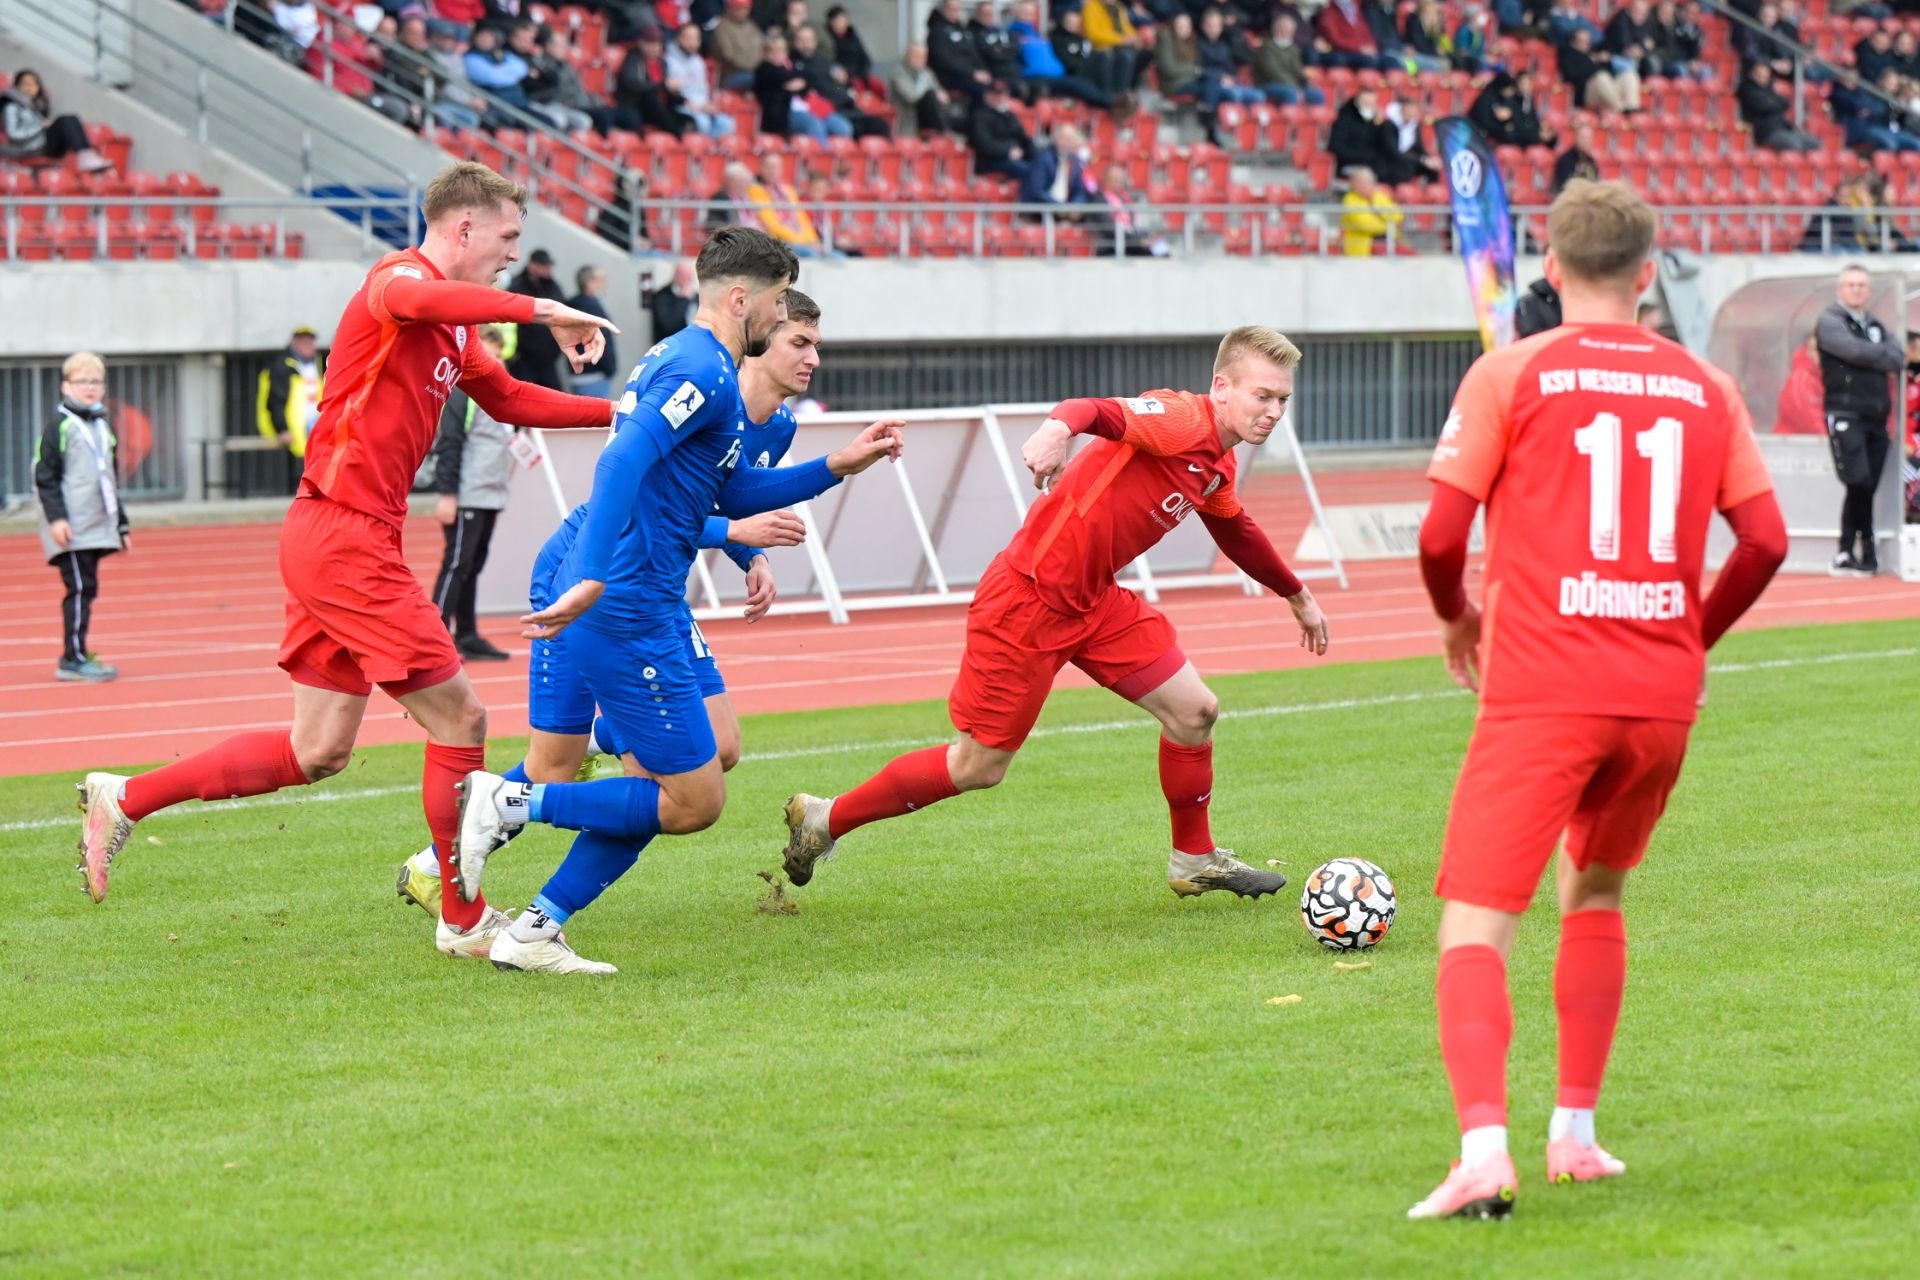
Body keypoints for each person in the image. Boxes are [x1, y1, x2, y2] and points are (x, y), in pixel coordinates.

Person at [70, 163, 618, 958]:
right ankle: (462, 919)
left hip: (343, 534)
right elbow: (424, 300)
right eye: (506, 238)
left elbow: (510, 399)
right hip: (344, 536)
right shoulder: (398, 281)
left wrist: (624, 414)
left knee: (317, 750)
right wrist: (548, 309)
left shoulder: (457, 329)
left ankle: (125, 797)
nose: (511, 254)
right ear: (463, 227)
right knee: (461, 719)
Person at [1407, 179, 1788, 1220]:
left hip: (1544, 687)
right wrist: (1688, 637)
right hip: (1657, 698)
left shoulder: (1511, 370)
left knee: (1476, 921)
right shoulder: (1707, 385)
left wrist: (1456, 618)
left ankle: (1484, 1152)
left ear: (1550, 267)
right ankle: (1574, 1134)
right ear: (1649, 272)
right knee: (1598, 895)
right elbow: (1765, 541)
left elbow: (1439, 537)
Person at [447, 233, 907, 974]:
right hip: (628, 603)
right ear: (742, 299)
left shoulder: (702, 365)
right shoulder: (701, 368)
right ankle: (507, 805)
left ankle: (534, 929)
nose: (783, 322)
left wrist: (836, 465)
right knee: (690, 799)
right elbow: (621, 461)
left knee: (690, 774)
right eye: (779, 308)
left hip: (644, 600)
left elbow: (726, 491)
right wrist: (592, 574)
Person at [777, 328, 1332, 900]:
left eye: (1282, 399)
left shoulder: (1218, 462)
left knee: (1195, 712)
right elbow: (1093, 409)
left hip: (1095, 601)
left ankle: (1193, 859)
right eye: (1262, 396)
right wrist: (1055, 431)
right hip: (1028, 601)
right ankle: (825, 819)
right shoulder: (1179, 419)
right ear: (1221, 388)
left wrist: (1297, 595)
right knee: (978, 767)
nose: (1274, 411)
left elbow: (1235, 529)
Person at [396, 290, 826, 919]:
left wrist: (750, 555)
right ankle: (466, 879)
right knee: (568, 770)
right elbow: (644, 499)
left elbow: (717, 499)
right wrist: (738, 532)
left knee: (718, 749)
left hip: (651, 588)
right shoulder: (706, 387)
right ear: (759, 337)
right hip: (589, 575)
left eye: (815, 344)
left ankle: (531, 905)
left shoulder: (778, 425)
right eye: (798, 341)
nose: (813, 358)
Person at [35, 352, 128, 684]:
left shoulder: (103, 425)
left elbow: (109, 478)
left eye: (96, 381)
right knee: (78, 588)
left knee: (86, 588)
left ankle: (78, 652)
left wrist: (121, 523)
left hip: (96, 522)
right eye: (82, 381)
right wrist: (57, 518)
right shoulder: (59, 426)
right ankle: (71, 658)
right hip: (70, 524)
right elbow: (45, 476)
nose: (90, 387)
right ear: (66, 386)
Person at [429, 325, 518, 662]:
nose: (496, 362)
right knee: (457, 564)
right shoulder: (463, 393)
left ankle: (466, 633)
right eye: (489, 355)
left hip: (490, 493)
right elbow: (450, 443)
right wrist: (447, 493)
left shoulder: (498, 392)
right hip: (467, 493)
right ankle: (435, 637)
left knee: (473, 565)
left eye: (499, 356)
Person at [1816, 263, 1905, 576]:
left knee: (1866, 486)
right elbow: (1852, 351)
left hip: (1876, 416)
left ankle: (1845, 552)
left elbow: (1898, 357)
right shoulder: (1830, 321)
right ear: (1840, 289)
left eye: (1861, 285)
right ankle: (1866, 549)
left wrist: (1872, 354)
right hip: (1845, 412)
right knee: (1858, 480)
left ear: (1869, 291)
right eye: (1851, 284)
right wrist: (1877, 354)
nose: (1856, 290)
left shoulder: (1876, 325)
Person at [0, 70, 112, 171]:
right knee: (64, 120)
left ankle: (86, 155)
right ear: (16, 86)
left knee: (72, 118)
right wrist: (41, 125)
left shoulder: (35, 107)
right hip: (26, 148)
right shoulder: (11, 106)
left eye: (34, 84)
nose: (30, 88)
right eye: (26, 84)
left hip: (41, 145)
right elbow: (12, 133)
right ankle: (85, 157)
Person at [257, 325, 324, 492]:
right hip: (295, 426)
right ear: (294, 343)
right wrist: (282, 428)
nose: (308, 345)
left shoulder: (315, 364)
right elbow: (276, 399)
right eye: (304, 341)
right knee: (300, 465)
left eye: (310, 342)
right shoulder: (283, 365)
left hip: (315, 421)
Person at [507, 248, 569, 390]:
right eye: (544, 266)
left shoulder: (553, 286)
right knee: (523, 394)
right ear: (532, 265)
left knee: (555, 396)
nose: (548, 270)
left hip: (548, 361)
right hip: (524, 359)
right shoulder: (518, 285)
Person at [666, 22, 735, 137]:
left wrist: (709, 104)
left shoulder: (699, 62)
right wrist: (700, 107)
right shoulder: (669, 61)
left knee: (727, 123)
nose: (692, 43)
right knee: (703, 123)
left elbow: (703, 90)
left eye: (696, 39)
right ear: (678, 38)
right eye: (688, 38)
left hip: (703, 106)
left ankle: (714, 148)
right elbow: (675, 97)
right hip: (683, 107)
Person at [1739, 62, 1818, 151]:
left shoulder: (1769, 90)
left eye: (1765, 76)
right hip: (1766, 132)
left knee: (1813, 142)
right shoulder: (1747, 90)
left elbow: (1785, 103)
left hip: (1783, 129)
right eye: (1759, 75)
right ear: (1752, 74)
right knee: (1794, 145)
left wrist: (1774, 103)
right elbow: (1764, 106)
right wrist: (1776, 103)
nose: (1762, 79)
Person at [1558, 27, 1639, 115]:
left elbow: (1609, 71)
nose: (1587, 43)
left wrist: (1607, 61)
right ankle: (1621, 110)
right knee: (1601, 77)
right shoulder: (1568, 55)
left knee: (1629, 76)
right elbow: (1572, 75)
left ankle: (1632, 108)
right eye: (1583, 41)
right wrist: (1591, 62)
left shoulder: (1593, 52)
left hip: (1607, 89)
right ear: (1573, 42)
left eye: (1588, 40)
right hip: (1586, 92)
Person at [566, 264, 618, 397]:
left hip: (579, 374)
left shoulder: (571, 305)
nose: (604, 284)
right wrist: (610, 370)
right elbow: (603, 340)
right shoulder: (592, 308)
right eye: (601, 280)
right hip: (594, 377)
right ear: (590, 283)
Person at [1019, 122, 1098, 209]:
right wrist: (1060, 207)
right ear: (1056, 139)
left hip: (1064, 210)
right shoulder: (1042, 159)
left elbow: (1080, 189)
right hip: (1040, 209)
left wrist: (1076, 205)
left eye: (1072, 139)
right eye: (1065, 138)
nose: (1069, 142)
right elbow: (1037, 191)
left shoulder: (1076, 161)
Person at [969, 80, 1034, 183]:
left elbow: (1022, 137)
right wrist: (1008, 150)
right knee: (1025, 170)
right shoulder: (979, 116)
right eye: (996, 95)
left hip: (1013, 156)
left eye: (1004, 94)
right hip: (989, 161)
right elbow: (984, 145)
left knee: (1039, 165)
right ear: (986, 95)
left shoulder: (1010, 115)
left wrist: (1031, 152)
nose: (1001, 98)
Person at [1254, 13, 1323, 105]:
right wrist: (1294, 87)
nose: (1286, 34)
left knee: (1316, 95)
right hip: (1268, 83)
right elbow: (1272, 72)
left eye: (1290, 31)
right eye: (1284, 30)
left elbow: (1297, 70)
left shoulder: (1293, 49)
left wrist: (1306, 83)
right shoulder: (1266, 47)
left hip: (1291, 85)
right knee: (1290, 93)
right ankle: (1289, 114)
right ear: (1276, 29)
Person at [891, 41, 954, 136]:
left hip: (931, 115)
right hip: (910, 116)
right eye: (917, 56)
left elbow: (941, 95)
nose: (921, 60)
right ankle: (945, 132)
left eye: (924, 57)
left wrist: (940, 94)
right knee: (930, 95)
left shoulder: (927, 73)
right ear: (908, 56)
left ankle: (946, 131)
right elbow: (912, 97)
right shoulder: (899, 73)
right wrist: (930, 90)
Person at [1341, 166, 1403, 255]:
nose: (1363, 186)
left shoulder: (1379, 197)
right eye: (1359, 183)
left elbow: (1398, 215)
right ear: (1352, 184)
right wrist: (1389, 225)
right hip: (1364, 248)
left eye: (1367, 182)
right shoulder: (1349, 200)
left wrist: (1381, 218)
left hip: (1389, 241)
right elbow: (1365, 224)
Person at [1774, 333, 1826, 435]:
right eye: (1814, 349)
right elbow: (1806, 415)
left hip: (1812, 441)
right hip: (1793, 442)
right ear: (1806, 351)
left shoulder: (1824, 379)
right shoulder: (1801, 379)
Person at [710, 0, 764, 90]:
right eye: (739, 9)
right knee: (756, 79)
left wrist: (757, 65)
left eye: (746, 9)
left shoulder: (752, 26)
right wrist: (751, 65)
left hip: (755, 70)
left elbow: (761, 48)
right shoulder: (722, 28)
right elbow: (727, 55)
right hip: (731, 74)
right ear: (731, 9)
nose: (743, 12)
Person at [649, 259, 700, 340]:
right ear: (676, 276)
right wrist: (684, 300)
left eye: (690, 276)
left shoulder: (695, 296)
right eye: (685, 276)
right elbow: (668, 325)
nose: (688, 280)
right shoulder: (662, 296)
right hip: (669, 344)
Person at [1552, 122, 1601, 195]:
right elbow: (1563, 187)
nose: (1585, 141)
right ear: (1575, 138)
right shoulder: (1565, 160)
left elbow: (1595, 183)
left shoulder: (1592, 162)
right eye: (1582, 137)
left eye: (1588, 138)